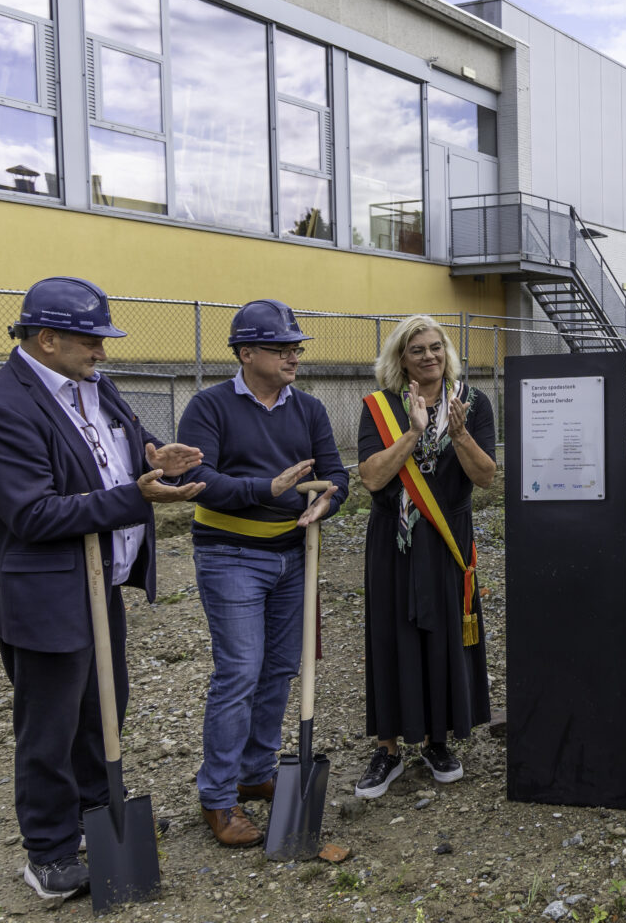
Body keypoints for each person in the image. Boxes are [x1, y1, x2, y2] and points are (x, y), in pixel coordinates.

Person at [0, 277, 204, 900]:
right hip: (43, 594)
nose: (103, 351)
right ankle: (49, 851)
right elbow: (34, 515)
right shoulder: (0, 409)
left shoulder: (93, 387)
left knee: (104, 707)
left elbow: (114, 448)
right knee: (50, 726)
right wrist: (136, 496)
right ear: (47, 339)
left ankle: (100, 816)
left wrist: (153, 458)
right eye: (92, 341)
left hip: (101, 583)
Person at [176, 299, 348, 846]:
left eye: (296, 347)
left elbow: (335, 472)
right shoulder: (209, 406)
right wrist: (264, 490)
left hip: (294, 554)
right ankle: (218, 798)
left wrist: (329, 500)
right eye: (280, 348)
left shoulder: (311, 410)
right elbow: (197, 477)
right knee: (240, 671)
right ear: (246, 353)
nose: (293, 355)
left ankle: (255, 773)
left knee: (278, 668)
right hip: (230, 556)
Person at [352, 315, 495, 798]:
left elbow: (485, 477)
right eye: (418, 350)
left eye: (437, 347)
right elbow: (371, 477)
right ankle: (388, 748)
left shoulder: (473, 404)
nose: (430, 356)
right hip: (394, 538)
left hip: (448, 537)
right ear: (400, 358)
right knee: (392, 634)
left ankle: (437, 740)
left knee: (443, 634)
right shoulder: (378, 407)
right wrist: (412, 434)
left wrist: (460, 436)